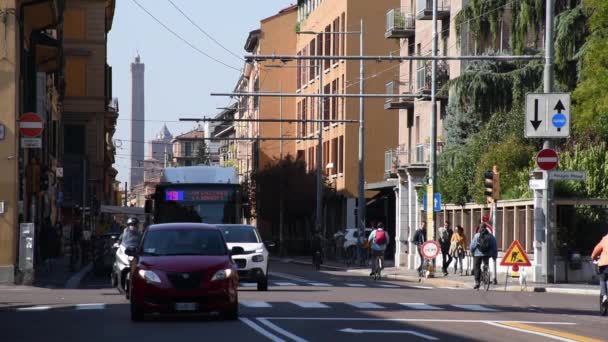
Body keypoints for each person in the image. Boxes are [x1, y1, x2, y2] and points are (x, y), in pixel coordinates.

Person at [470, 222, 497, 289]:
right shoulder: (491, 236)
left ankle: (477, 282)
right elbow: (494, 246)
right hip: (487, 254)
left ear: (480, 228)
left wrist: (472, 252)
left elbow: (472, 245)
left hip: (477, 254)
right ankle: (486, 273)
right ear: (486, 228)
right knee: (486, 264)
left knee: (476, 267)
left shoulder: (477, 235)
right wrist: (494, 255)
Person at [591, 232, 608, 305]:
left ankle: (604, 296)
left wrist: (593, 257)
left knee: (603, 279)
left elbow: (596, 249)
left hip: (605, 264)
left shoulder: (605, 238)